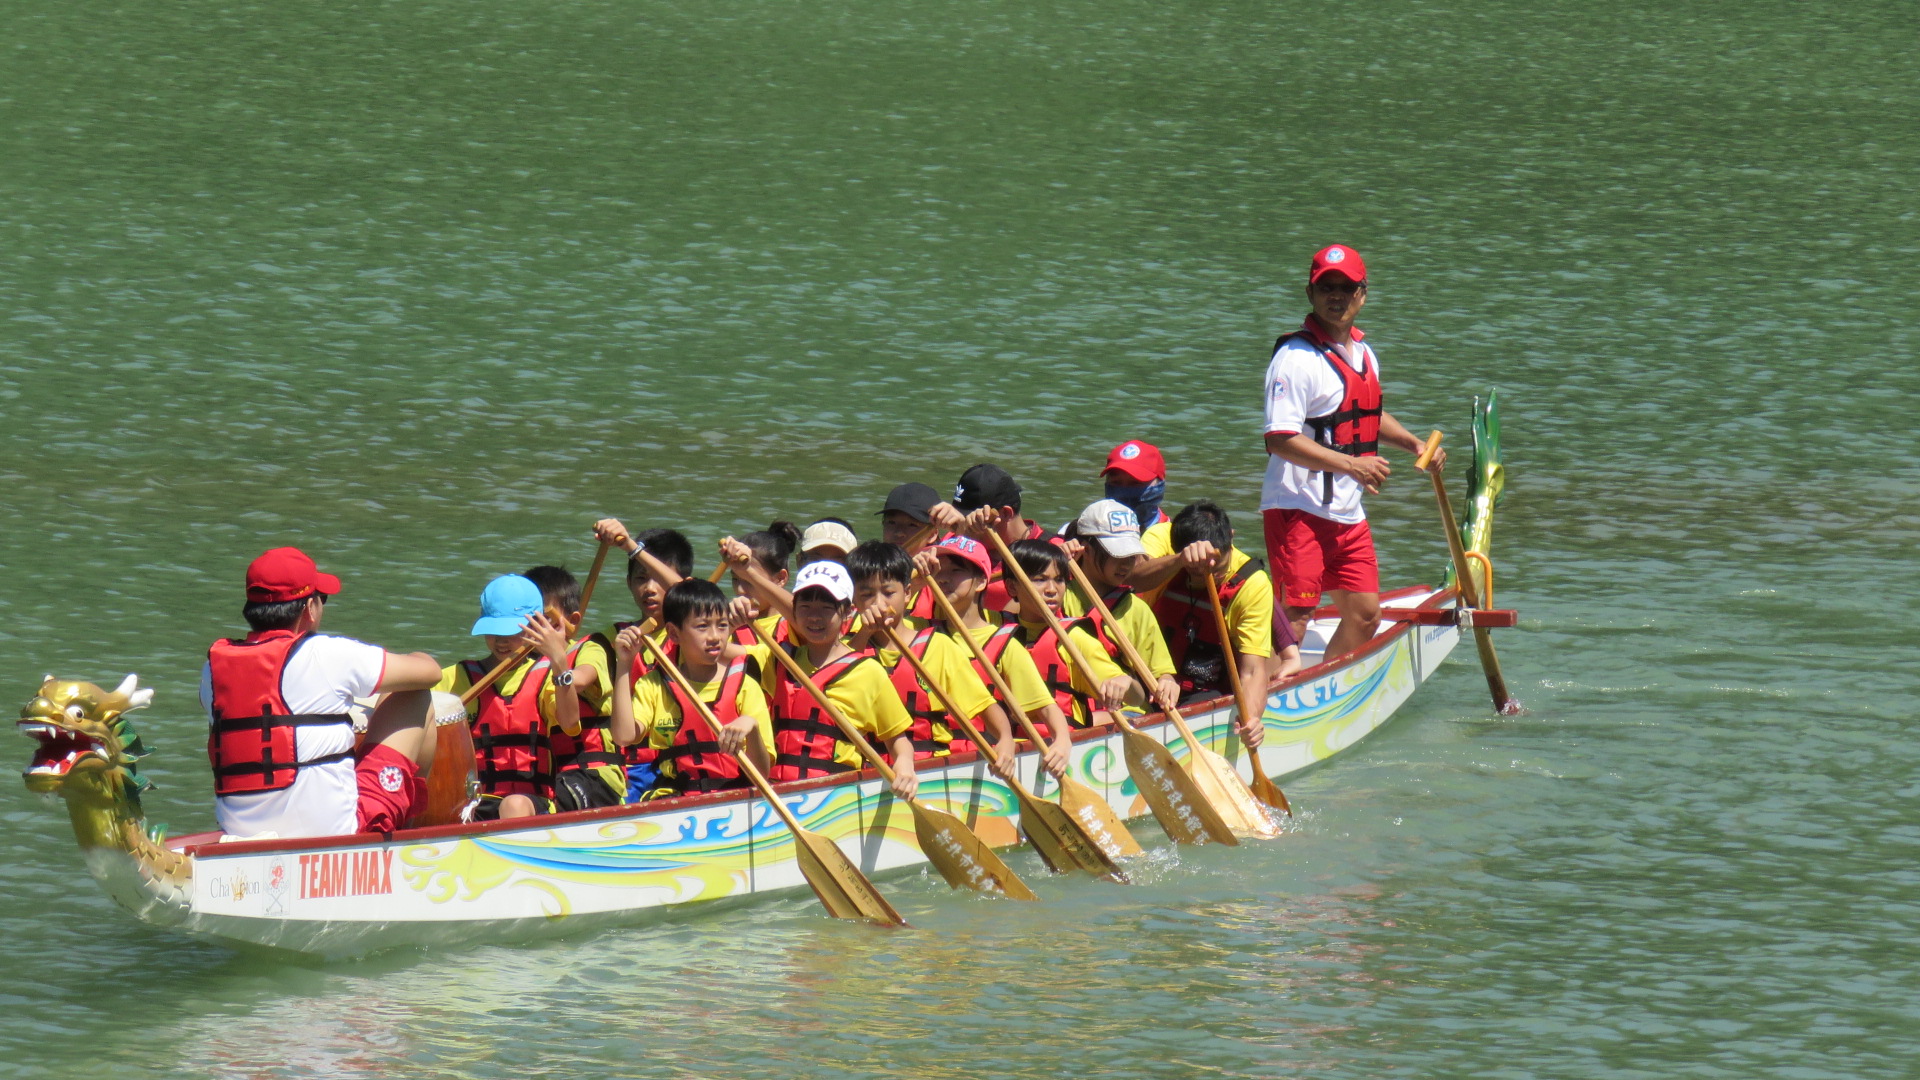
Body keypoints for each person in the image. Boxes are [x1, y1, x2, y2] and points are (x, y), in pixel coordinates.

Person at [1261, 244, 1444, 657]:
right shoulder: (1295, 358)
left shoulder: (1363, 354)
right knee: (1295, 617)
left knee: (1365, 615)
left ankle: (1326, 688)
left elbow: (1366, 414)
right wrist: (1352, 465)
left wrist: (1414, 443)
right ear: (1311, 293)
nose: (1336, 296)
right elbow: (1279, 439)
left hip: (1346, 511)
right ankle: (1261, 704)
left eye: (1347, 287)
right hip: (1297, 507)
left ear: (1363, 294)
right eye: (1327, 286)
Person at [203, 547, 444, 840]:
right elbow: (431, 673)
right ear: (309, 608)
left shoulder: (212, 670)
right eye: (322, 599)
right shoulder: (326, 653)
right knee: (415, 695)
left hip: (239, 832)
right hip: (336, 831)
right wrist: (418, 654)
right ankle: (411, 830)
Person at [739, 561, 919, 799]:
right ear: (794, 610)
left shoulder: (868, 672)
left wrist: (905, 766)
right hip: (777, 792)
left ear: (847, 611)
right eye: (805, 607)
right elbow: (716, 654)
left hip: (836, 797)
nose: (814, 617)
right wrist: (730, 620)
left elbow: (898, 740)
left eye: (826, 608)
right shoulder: (778, 658)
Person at [843, 540, 1013, 763]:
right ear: (854, 599)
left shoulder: (938, 647)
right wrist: (864, 633)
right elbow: (841, 674)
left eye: (888, 593)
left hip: (929, 763)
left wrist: (1006, 741)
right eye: (866, 595)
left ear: (907, 594)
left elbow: (985, 706)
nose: (879, 604)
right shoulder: (847, 650)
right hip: (871, 767)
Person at [1152, 501, 1303, 745]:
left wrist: (1251, 719)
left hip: (1210, 687)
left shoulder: (1251, 584)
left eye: (1219, 567)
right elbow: (1133, 581)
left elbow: (1252, 671)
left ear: (1231, 538)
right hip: (1161, 676)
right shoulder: (1161, 541)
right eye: (1199, 571)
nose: (1210, 576)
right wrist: (1179, 562)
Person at [921, 535, 1073, 776]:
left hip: (982, 753)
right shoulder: (915, 632)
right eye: (938, 570)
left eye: (956, 570)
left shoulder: (1004, 644)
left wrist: (1062, 741)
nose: (943, 577)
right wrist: (915, 573)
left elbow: (1045, 707)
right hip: (927, 755)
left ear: (982, 582)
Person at [436, 574, 582, 820]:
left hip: (532, 804)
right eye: (494, 632)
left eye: (511, 632)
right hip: (477, 801)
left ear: (536, 626)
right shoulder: (456, 677)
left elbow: (569, 724)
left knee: (512, 806)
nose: (501, 641)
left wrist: (559, 661)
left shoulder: (547, 675)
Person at [610, 580, 772, 797]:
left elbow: (761, 773)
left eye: (722, 625)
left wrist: (751, 727)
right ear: (674, 634)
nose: (715, 636)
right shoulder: (654, 684)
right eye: (702, 626)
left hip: (735, 795)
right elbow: (623, 736)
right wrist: (624, 664)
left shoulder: (745, 685)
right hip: (676, 796)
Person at [1003, 539, 1144, 730]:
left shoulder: (1073, 640)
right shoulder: (995, 628)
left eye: (1059, 580)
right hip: (1003, 744)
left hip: (1060, 743)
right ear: (1012, 587)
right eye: (1040, 580)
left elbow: (1136, 698)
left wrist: (1126, 682)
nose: (1052, 590)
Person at [1059, 499, 1182, 713]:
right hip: (1068, 709)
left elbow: (1162, 673)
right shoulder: (1057, 594)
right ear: (1085, 549)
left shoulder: (1137, 609)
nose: (1126, 564)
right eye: (1116, 554)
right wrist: (1054, 562)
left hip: (1125, 711)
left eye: (1130, 555)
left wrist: (1168, 682)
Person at [521, 564, 624, 810]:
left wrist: (557, 659)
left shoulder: (589, 648)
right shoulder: (522, 666)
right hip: (547, 777)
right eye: (530, 623)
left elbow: (582, 678)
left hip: (594, 776)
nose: (538, 633)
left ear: (573, 621)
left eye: (547, 622)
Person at [929, 464, 1046, 612]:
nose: (965, 525)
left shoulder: (1054, 550)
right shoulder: (958, 536)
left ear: (1005, 514)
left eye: (973, 520)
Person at [726, 521, 802, 647]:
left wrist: (748, 572)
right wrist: (728, 627)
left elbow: (800, 614)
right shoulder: (724, 624)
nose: (740, 590)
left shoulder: (795, 626)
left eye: (749, 580)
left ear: (780, 578)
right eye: (735, 579)